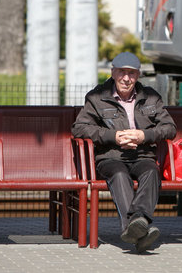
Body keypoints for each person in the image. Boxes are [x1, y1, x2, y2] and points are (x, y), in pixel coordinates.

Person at [72, 52, 176, 252]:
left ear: (138, 75)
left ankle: (137, 223)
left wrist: (143, 136)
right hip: (111, 157)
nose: (126, 79)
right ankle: (136, 228)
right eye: (122, 72)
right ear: (113, 73)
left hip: (142, 155)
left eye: (131, 73)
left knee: (151, 172)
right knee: (119, 174)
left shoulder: (151, 97)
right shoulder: (96, 97)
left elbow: (169, 127)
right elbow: (80, 127)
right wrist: (115, 136)